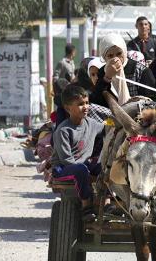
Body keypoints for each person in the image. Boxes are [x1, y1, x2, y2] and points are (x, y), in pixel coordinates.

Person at [51, 85, 104, 222]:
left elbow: (108, 127)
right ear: (68, 108)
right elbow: (66, 159)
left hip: (84, 165)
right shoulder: (63, 130)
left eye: (87, 103)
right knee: (81, 170)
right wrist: (85, 168)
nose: (85, 107)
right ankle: (86, 205)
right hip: (64, 168)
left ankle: (107, 201)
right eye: (80, 104)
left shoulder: (92, 124)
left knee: (105, 167)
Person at [91, 33, 155, 107]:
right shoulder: (103, 71)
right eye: (110, 56)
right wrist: (107, 77)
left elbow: (150, 100)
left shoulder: (141, 71)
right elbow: (96, 100)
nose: (115, 59)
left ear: (124, 52)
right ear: (104, 57)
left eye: (119, 54)